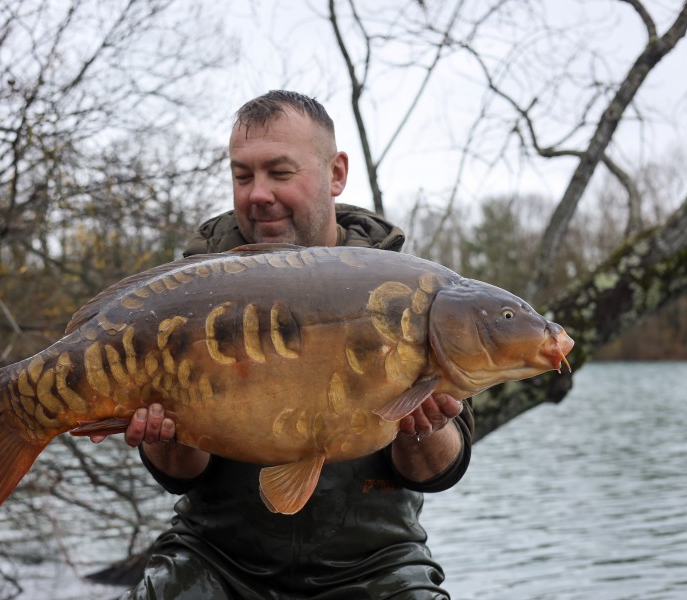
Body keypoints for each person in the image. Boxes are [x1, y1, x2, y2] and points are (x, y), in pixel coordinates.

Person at [91, 90, 474, 599]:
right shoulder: (190, 294)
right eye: (242, 176)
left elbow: (438, 472)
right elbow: (181, 475)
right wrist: (164, 437)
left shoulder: (409, 292)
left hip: (374, 563)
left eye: (279, 172)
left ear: (336, 173)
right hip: (215, 557)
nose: (258, 194)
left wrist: (425, 425)